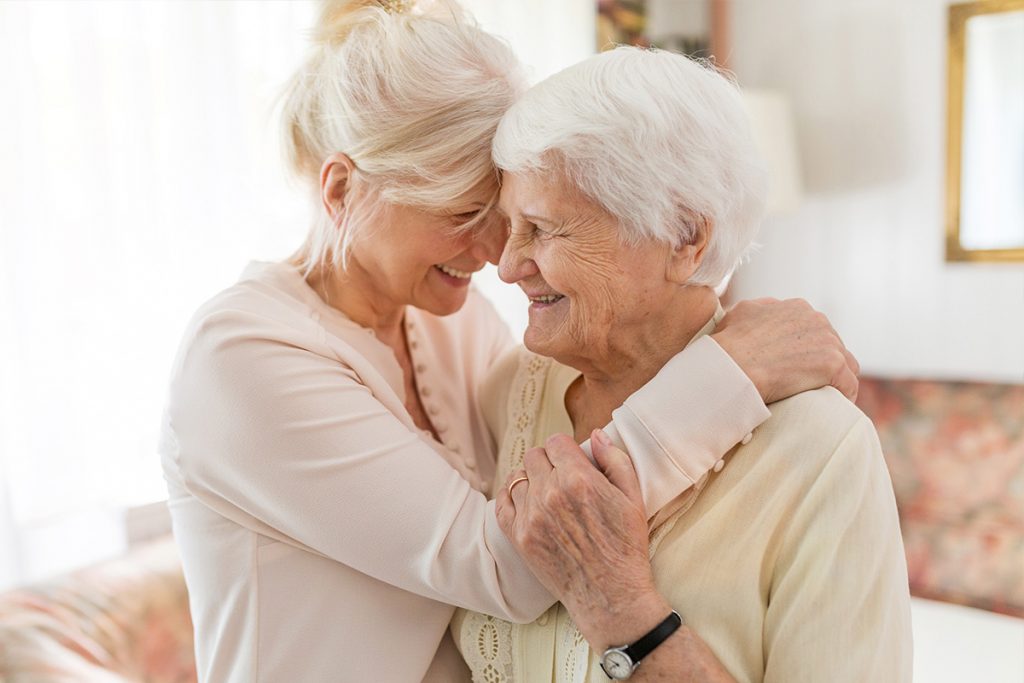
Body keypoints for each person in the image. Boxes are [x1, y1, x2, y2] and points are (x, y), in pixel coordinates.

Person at [159, 2, 861, 681]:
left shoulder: (446, 319)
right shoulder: (243, 359)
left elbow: (546, 445)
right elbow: (510, 562)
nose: (497, 254)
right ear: (341, 190)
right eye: (464, 213)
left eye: (509, 214)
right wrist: (728, 373)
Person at [454, 46, 913, 682]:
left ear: (682, 237)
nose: (507, 266)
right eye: (510, 226)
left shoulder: (822, 450)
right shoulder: (509, 392)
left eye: (544, 228)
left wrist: (621, 610)